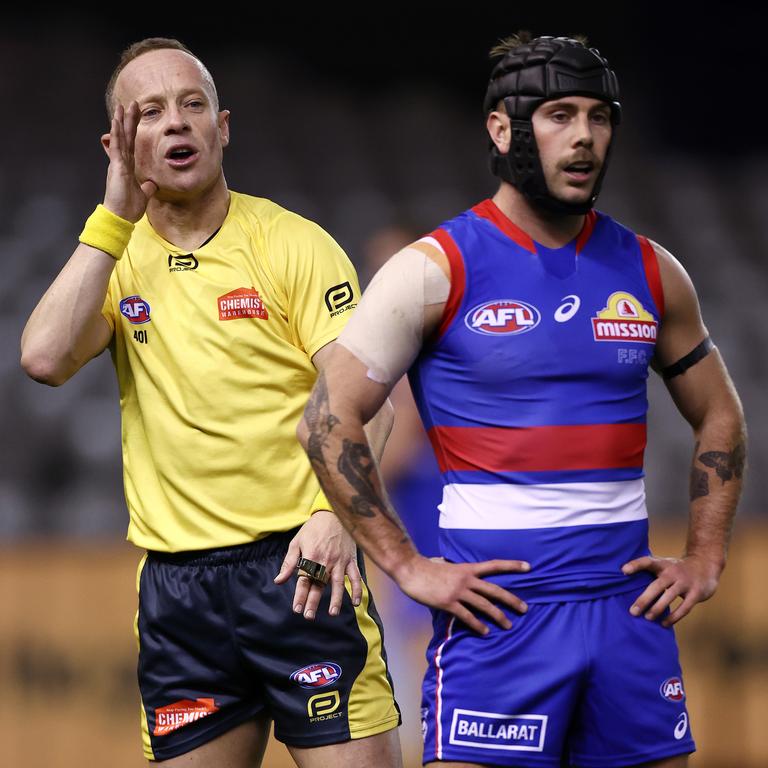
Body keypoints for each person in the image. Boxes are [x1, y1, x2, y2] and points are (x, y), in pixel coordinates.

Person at [298, 33, 746, 768]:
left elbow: (720, 413)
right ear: (502, 129)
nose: (584, 138)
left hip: (627, 617)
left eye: (599, 117)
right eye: (560, 115)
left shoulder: (652, 269)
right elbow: (326, 419)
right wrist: (408, 567)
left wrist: (704, 556)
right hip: (499, 619)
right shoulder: (432, 270)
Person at [20, 38, 404, 767]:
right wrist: (111, 215)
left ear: (222, 127)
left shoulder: (293, 244)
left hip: (301, 570)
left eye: (192, 105)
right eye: (151, 112)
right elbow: (43, 358)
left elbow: (369, 401)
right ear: (118, 143)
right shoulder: (116, 257)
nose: (176, 124)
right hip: (179, 590)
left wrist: (335, 516)